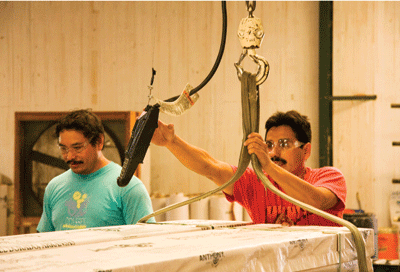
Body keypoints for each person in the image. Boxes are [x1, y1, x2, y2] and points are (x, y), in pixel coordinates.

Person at [151, 110, 346, 226]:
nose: (274, 152)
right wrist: (172, 142)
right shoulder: (256, 183)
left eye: (285, 144)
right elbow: (212, 168)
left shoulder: (329, 177)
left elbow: (317, 201)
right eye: (269, 145)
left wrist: (268, 166)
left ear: (306, 150)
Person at [37, 109, 155, 232]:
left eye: (77, 148)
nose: (69, 156)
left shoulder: (128, 187)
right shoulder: (54, 187)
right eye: (64, 148)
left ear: (99, 142)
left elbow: (148, 241)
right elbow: (43, 240)